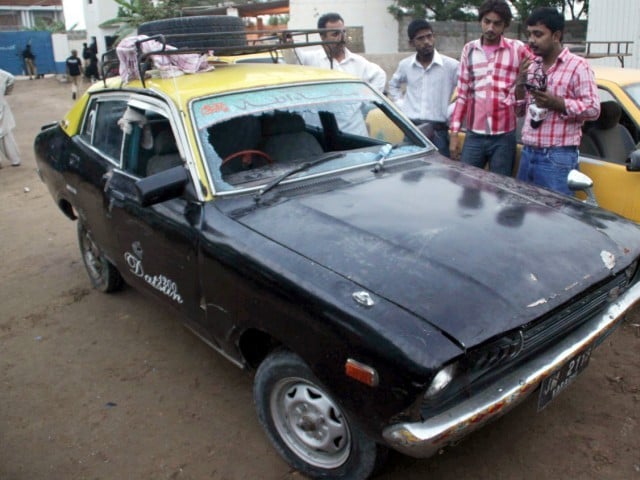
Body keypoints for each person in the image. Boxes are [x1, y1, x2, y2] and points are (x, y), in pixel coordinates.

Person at [514, 7, 600, 195]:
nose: (531, 40)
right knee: (524, 214)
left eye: (538, 34)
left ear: (556, 36)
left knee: (556, 217)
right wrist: (520, 85)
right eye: (529, 34)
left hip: (556, 157)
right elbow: (520, 112)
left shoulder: (578, 66)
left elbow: (593, 109)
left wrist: (557, 103)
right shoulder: (533, 66)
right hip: (528, 152)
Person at [449, 0, 529, 175]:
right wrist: (454, 133)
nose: (491, 28)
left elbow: (539, 66)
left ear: (505, 26)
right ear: (481, 21)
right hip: (474, 135)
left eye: (497, 23)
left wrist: (522, 82)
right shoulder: (469, 50)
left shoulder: (517, 49)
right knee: (467, 186)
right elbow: (462, 94)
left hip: (504, 137)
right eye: (487, 22)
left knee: (500, 191)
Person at [388, 19, 459, 157]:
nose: (427, 41)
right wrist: (403, 106)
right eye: (420, 38)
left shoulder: (451, 66)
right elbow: (393, 85)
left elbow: (466, 90)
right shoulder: (406, 65)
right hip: (412, 131)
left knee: (439, 175)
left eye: (429, 36)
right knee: (409, 174)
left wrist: (450, 110)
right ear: (411, 43)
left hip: (438, 132)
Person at [295, 12, 386, 94]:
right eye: (335, 34)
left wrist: (366, 103)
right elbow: (293, 58)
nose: (341, 38)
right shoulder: (312, 59)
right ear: (322, 36)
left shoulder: (358, 62)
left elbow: (380, 76)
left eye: (343, 32)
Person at [0, 69, 21, 167]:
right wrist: (6, 92)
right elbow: (11, 78)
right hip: (1, 106)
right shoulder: (2, 74)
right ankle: (15, 159)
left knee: (6, 134)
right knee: (6, 135)